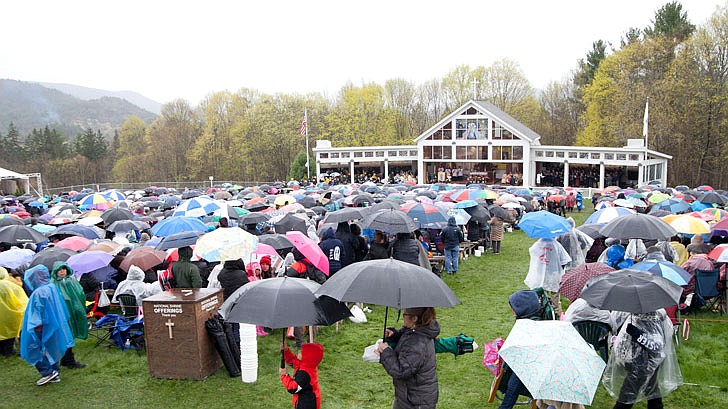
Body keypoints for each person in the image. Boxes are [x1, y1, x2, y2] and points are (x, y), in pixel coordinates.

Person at [603, 310, 682, 409]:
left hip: (645, 364)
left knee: (627, 395)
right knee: (651, 390)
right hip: (635, 360)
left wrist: (638, 336)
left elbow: (656, 347)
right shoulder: (635, 315)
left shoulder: (655, 319)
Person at [20, 265, 74, 386]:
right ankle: (54, 372)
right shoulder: (52, 287)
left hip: (41, 325)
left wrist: (35, 326)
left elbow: (37, 312)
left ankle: (47, 372)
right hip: (54, 324)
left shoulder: (38, 293)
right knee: (51, 347)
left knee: (31, 348)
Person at [377, 307, 440, 409]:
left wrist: (386, 352)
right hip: (409, 395)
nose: (403, 316)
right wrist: (394, 335)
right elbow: (406, 335)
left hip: (416, 401)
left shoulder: (417, 342)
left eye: (405, 314)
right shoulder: (418, 330)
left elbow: (401, 370)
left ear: (414, 318)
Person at [50, 262, 87, 369]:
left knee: (68, 335)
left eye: (64, 269)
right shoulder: (53, 284)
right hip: (62, 314)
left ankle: (65, 360)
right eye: (59, 270)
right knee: (66, 335)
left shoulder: (71, 281)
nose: (62, 272)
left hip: (72, 312)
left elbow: (79, 294)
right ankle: (70, 361)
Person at [524, 238, 572, 313]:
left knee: (542, 289)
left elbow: (533, 253)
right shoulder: (556, 244)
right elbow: (564, 259)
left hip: (541, 271)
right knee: (555, 291)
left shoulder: (538, 244)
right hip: (553, 271)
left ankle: (542, 307)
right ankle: (555, 309)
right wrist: (560, 270)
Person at [279, 342, 325, 409]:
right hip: (306, 400)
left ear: (307, 356)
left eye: (301, 352)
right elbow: (292, 362)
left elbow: (293, 388)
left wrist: (284, 375)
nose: (298, 353)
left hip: (307, 404)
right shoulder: (307, 364)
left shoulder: (304, 374)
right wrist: (286, 351)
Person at [0, 266, 28, 357]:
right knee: (11, 332)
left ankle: (3, 351)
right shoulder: (10, 284)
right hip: (12, 313)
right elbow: (22, 299)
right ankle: (9, 351)